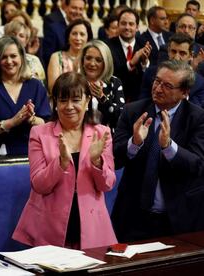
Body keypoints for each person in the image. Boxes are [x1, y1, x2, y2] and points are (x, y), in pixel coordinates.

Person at [12, 72, 117, 249]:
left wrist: (96, 161)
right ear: (55, 103)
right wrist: (60, 162)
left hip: (92, 230)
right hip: (50, 228)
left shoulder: (101, 133)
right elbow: (39, 185)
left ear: (87, 101)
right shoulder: (39, 134)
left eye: (76, 100)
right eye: (63, 100)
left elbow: (107, 185)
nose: (69, 106)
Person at [112, 60, 204, 242]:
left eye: (168, 85)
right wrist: (134, 143)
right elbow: (115, 157)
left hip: (178, 219)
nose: (158, 89)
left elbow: (197, 164)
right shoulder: (133, 111)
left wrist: (168, 146)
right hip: (133, 217)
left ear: (185, 92)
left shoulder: (197, 118)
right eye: (157, 81)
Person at [0, 36, 51, 157]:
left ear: (21, 57)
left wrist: (31, 119)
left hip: (32, 156)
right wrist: (11, 123)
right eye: (4, 57)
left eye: (13, 56)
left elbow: (47, 125)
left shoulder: (35, 86)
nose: (9, 61)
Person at [140, 33, 204, 108]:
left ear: (191, 56)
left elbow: (194, 114)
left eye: (182, 53)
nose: (176, 57)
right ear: (168, 52)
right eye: (173, 52)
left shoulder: (199, 83)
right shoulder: (151, 73)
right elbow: (142, 105)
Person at [79, 39, 125, 133]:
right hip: (79, 136)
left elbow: (120, 117)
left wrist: (102, 98)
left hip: (107, 137)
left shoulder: (114, 83)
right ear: (82, 60)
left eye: (98, 60)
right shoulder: (75, 82)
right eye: (88, 58)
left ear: (106, 63)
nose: (92, 64)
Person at [107, 8, 152, 102]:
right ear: (118, 25)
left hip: (139, 100)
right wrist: (131, 63)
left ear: (137, 27)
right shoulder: (108, 46)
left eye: (131, 24)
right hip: (114, 99)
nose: (127, 27)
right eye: (123, 23)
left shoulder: (145, 45)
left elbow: (151, 78)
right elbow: (109, 76)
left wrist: (145, 63)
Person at [47, 19, 93, 93]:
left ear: (88, 38)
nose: (78, 38)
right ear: (68, 36)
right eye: (74, 33)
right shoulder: (56, 57)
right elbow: (53, 88)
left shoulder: (91, 60)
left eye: (82, 34)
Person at [43, 0, 86, 67]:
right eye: (74, 8)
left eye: (81, 9)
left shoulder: (84, 26)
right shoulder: (53, 23)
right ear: (66, 7)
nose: (78, 12)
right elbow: (48, 56)